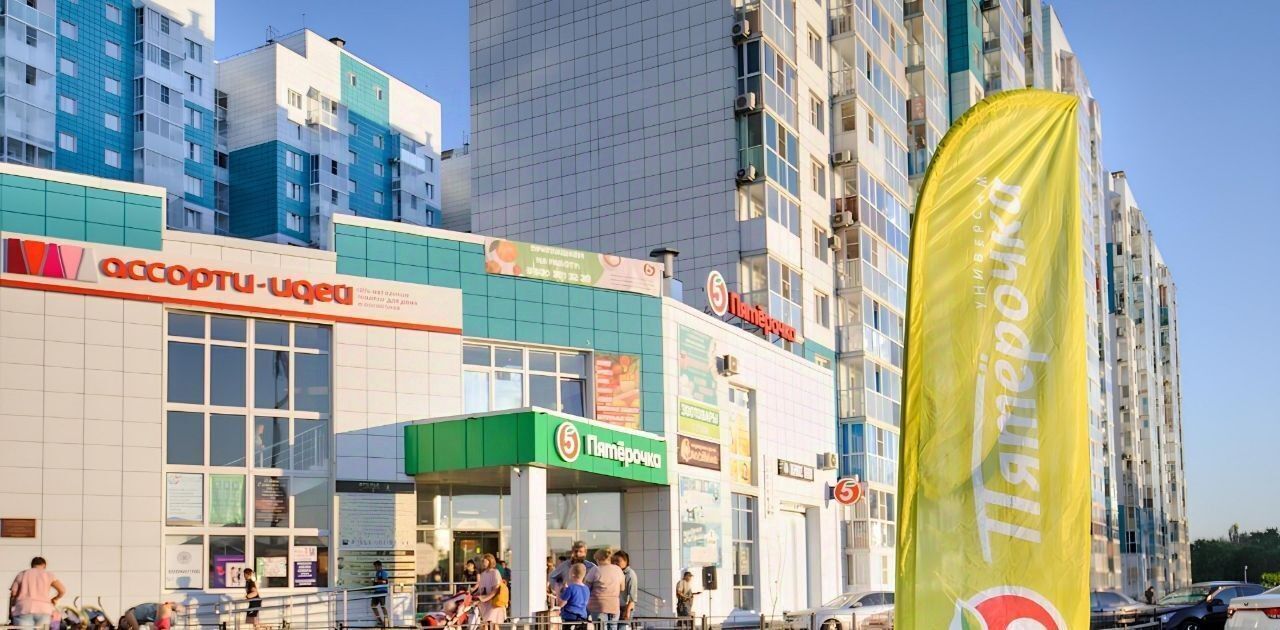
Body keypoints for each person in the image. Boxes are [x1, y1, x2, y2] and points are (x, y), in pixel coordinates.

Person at [8, 557, 66, 630]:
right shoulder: (49, 575)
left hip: (23, 609)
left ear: (32, 565)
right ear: (44, 566)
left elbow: (13, 594)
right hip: (44, 610)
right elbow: (62, 590)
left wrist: (10, 612)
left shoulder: (22, 574)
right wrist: (55, 598)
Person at [586, 548, 624, 630]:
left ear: (598, 559)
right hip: (614, 606)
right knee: (613, 627)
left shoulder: (595, 570)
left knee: (600, 627)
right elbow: (622, 588)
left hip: (598, 606)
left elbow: (587, 588)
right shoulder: (618, 570)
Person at [472, 553, 507, 628]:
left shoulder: (495, 572)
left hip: (495, 602)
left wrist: (484, 598)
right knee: (486, 624)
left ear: (490, 561)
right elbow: (481, 590)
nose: (483, 563)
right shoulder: (483, 574)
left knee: (494, 623)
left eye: (485, 561)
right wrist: (473, 596)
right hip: (486, 603)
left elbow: (496, 590)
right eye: (482, 561)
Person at [557, 563, 590, 630]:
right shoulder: (586, 588)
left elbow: (561, 604)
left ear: (573, 574)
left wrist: (560, 592)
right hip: (583, 618)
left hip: (570, 617)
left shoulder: (571, 588)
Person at [118, 602, 184, 630]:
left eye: (124, 620)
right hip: (166, 616)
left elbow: (137, 628)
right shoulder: (138, 621)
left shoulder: (128, 614)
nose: (126, 622)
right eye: (124, 624)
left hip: (164, 614)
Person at [613, 551, 638, 623]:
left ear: (626, 561)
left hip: (625, 607)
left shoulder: (630, 574)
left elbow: (632, 597)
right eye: (613, 561)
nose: (615, 563)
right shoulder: (615, 572)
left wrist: (627, 611)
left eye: (618, 561)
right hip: (615, 607)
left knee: (622, 627)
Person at [371, 560, 390, 628]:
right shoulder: (377, 573)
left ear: (380, 566)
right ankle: (380, 621)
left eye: (376, 566)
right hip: (376, 591)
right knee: (373, 606)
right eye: (374, 567)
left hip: (382, 591)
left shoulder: (383, 572)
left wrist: (376, 581)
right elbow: (376, 582)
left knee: (382, 606)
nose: (375, 568)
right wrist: (374, 583)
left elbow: (385, 581)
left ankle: (387, 622)